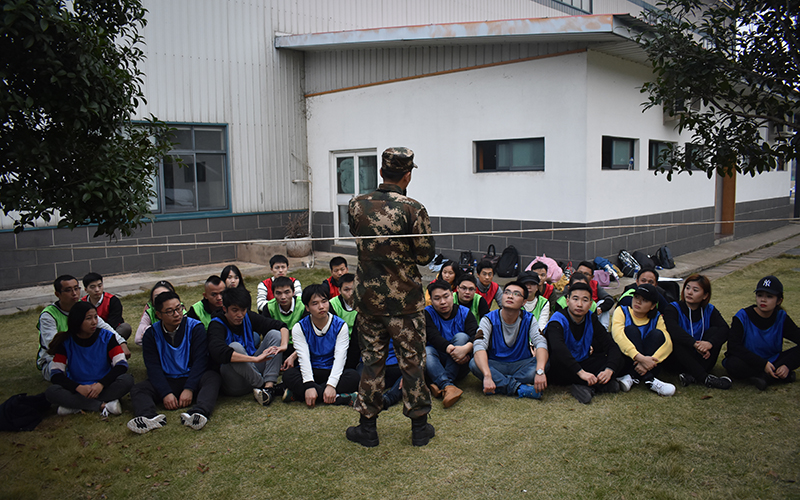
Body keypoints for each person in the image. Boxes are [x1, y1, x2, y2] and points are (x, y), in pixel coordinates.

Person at [345, 147, 436, 448]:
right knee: (412, 362)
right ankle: (419, 428)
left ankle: (367, 428)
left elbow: (358, 237)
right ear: (407, 175)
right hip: (405, 303)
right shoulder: (414, 209)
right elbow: (425, 256)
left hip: (369, 301)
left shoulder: (356, 205)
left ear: (381, 172)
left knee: (372, 361)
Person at [127, 291, 221, 434]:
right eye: (170, 311)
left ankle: (198, 413)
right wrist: (166, 393)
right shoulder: (151, 334)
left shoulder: (196, 327)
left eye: (179, 308)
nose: (177, 314)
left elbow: (200, 360)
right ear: (159, 315)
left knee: (213, 378)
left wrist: (189, 388)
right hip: (167, 379)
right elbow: (153, 367)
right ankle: (149, 417)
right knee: (138, 389)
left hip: (191, 377)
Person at [45, 302, 134, 418]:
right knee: (52, 391)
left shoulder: (107, 337)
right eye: (88, 318)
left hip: (103, 386)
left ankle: (74, 405)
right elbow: (56, 373)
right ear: (77, 320)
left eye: (95, 317)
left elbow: (121, 364)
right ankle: (103, 405)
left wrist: (101, 384)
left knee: (127, 380)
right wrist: (78, 387)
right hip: (78, 388)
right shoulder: (66, 342)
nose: (94, 322)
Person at [37, 275, 130, 381]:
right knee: (63, 372)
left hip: (85, 352)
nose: (74, 293)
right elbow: (52, 344)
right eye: (68, 290)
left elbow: (105, 327)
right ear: (57, 294)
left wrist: (122, 343)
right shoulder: (48, 315)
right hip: (60, 356)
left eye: (76, 288)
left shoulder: (83, 306)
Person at [207, 287, 289, 405]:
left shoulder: (248, 316)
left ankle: (269, 386)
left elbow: (280, 326)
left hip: (253, 369)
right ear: (225, 309)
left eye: (243, 310)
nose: (240, 315)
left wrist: (284, 346)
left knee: (275, 334)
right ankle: (262, 385)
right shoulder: (216, 324)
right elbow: (218, 352)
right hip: (234, 381)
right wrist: (254, 359)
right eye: (235, 310)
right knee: (235, 347)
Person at [282, 285, 360, 406]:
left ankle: (299, 395)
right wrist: (309, 385)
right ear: (307, 307)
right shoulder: (299, 328)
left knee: (353, 376)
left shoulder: (340, 326)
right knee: (288, 375)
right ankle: (340, 398)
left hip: (332, 370)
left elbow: (340, 358)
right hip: (311, 370)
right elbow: (303, 358)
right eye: (315, 303)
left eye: (324, 301)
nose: (321, 307)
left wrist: (331, 385)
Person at [545, 282, 622, 404]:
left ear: (590, 304)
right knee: (557, 365)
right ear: (567, 301)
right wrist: (581, 373)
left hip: (583, 362)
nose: (579, 304)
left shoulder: (590, 318)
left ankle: (587, 385)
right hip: (562, 366)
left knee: (620, 359)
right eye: (575, 299)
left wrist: (609, 370)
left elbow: (610, 345)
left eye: (585, 300)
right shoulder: (557, 320)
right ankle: (596, 385)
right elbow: (558, 350)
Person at [469, 281, 549, 400]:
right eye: (507, 292)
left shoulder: (529, 319)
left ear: (524, 302)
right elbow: (479, 345)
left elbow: (541, 342)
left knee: (544, 363)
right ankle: (519, 388)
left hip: (521, 364)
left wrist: (540, 372)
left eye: (516, 294)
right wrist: (487, 375)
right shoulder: (489, 319)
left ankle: (499, 383)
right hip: (496, 363)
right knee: (474, 363)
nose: (510, 296)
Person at [724, 276, 799, 390]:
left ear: (779, 301)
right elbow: (733, 347)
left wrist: (787, 365)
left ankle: (763, 378)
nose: (763, 300)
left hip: (773, 359)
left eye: (769, 296)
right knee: (733, 364)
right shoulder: (742, 316)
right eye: (760, 295)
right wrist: (763, 364)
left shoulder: (781, 317)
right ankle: (770, 376)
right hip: (749, 360)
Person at [665, 274, 732, 389]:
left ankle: (692, 376)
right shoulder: (673, 308)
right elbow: (673, 329)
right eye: (687, 288)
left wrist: (710, 343)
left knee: (715, 331)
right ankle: (705, 378)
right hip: (677, 360)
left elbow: (725, 329)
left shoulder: (709, 310)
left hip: (702, 358)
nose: (689, 292)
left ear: (705, 295)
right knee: (674, 339)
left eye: (695, 290)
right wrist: (695, 344)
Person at [610, 284, 675, 397]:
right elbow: (618, 336)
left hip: (650, 364)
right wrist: (640, 358)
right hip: (627, 360)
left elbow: (668, 343)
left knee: (657, 334)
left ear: (653, 306)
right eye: (636, 297)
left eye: (644, 300)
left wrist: (651, 361)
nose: (638, 302)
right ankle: (649, 379)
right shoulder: (622, 311)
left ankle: (632, 376)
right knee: (630, 330)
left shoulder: (657, 317)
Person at [425, 280, 477, 408]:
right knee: (427, 350)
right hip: (436, 364)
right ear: (431, 300)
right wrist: (451, 349)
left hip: (460, 363)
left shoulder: (464, 312)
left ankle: (441, 384)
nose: (443, 302)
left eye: (446, 296)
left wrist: (466, 349)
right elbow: (433, 336)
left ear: (452, 295)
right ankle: (448, 386)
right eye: (437, 298)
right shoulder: (427, 313)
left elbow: (477, 335)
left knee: (461, 337)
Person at [262, 275, 307, 370]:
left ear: (293, 292)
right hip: (279, 345)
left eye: (287, 292)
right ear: (273, 294)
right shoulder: (269, 307)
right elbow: (267, 333)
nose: (283, 297)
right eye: (278, 293)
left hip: (299, 344)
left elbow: (307, 332)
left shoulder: (303, 305)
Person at [82, 272, 132, 340]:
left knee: (125, 328)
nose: (97, 290)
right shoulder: (82, 303)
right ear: (86, 290)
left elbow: (113, 323)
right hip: (89, 332)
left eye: (99, 286)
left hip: (109, 332)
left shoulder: (112, 300)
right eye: (92, 287)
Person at [329, 273, 361, 369]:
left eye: (353, 289)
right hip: (339, 342)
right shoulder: (332, 305)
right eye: (346, 290)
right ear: (339, 290)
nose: (351, 293)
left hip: (358, 342)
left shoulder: (363, 304)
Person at [135, 281, 181, 346]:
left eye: (165, 295)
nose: (176, 314)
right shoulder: (150, 312)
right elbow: (138, 339)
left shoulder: (182, 312)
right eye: (157, 296)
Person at [574, 261, 615, 328]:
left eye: (586, 274)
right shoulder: (570, 286)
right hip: (576, 316)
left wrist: (600, 309)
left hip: (593, 315)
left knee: (602, 302)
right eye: (580, 273)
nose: (582, 276)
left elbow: (609, 299)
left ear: (592, 277)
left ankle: (604, 329)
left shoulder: (595, 285)